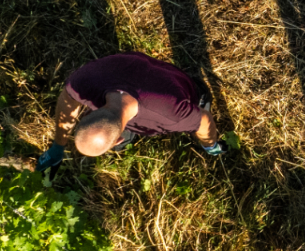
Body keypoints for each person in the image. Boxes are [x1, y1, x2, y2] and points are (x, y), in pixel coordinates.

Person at [36, 50, 223, 177]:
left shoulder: (173, 115)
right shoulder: (84, 81)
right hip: (141, 72)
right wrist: (57, 146)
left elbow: (204, 121)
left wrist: (210, 144)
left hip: (186, 89)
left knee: (200, 107)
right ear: (85, 115)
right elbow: (67, 101)